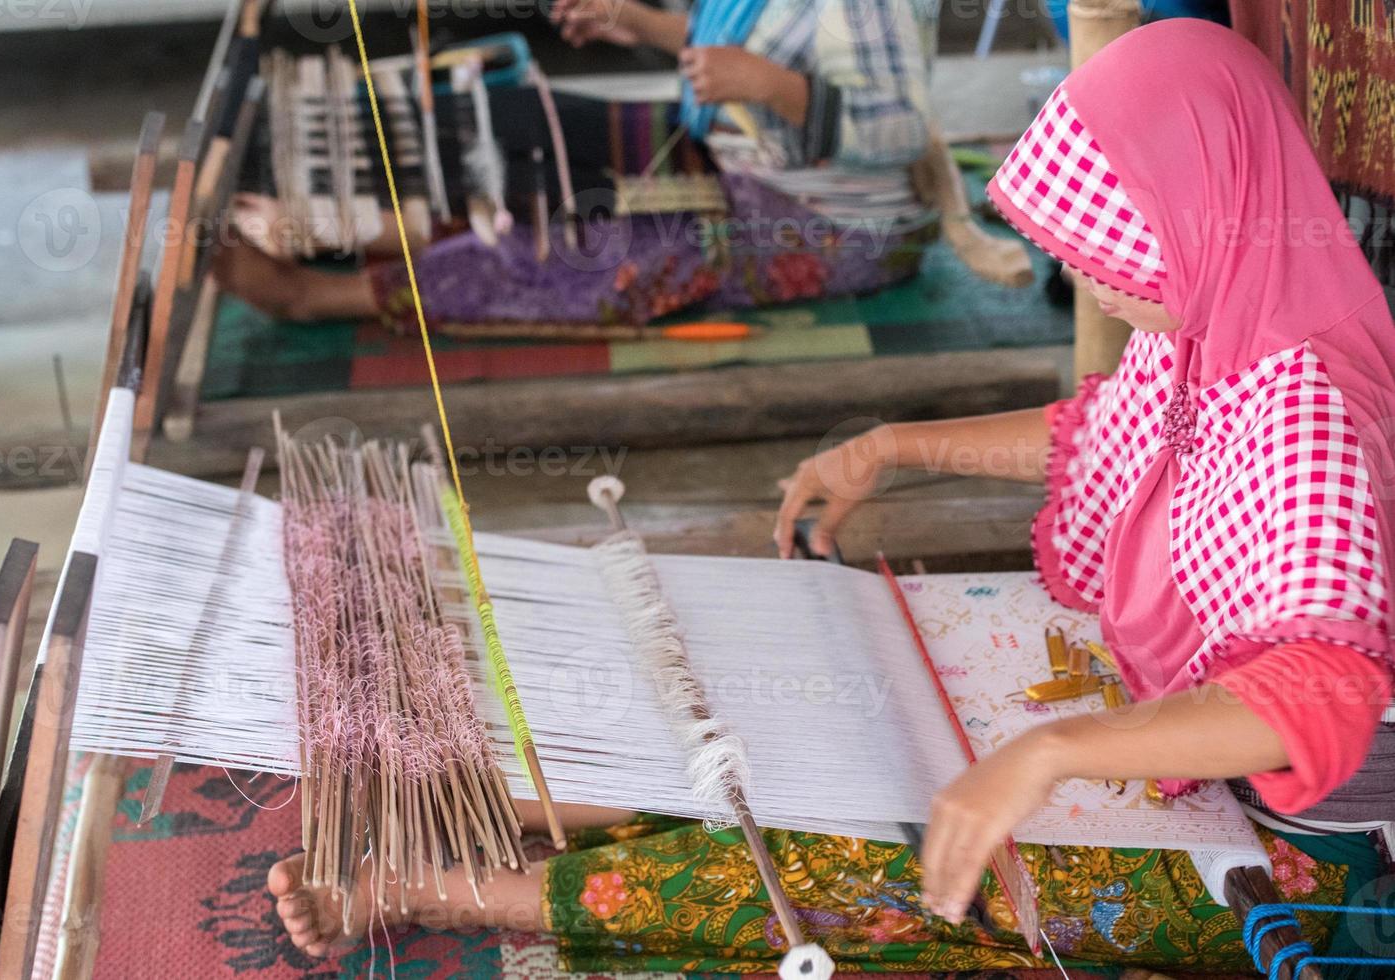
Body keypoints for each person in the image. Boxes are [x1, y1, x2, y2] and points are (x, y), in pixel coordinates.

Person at [268, 19, 1392, 974]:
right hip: (1180, 723)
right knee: (808, 704)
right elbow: (1110, 433)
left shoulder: (1309, 410)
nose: (1090, 281)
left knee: (869, 860)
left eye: (1110, 251)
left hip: (1290, 854)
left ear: (1206, 209)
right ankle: (519, 805)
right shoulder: (1228, 320)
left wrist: (1050, 752)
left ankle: (445, 886)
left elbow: (1321, 686)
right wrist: (891, 445)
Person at [215, 0, 1028, 335]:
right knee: (535, 129)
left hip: (829, 222)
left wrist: (768, 87)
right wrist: (636, 21)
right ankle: (343, 212)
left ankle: (321, 292)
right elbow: (735, 38)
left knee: (580, 253)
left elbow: (895, 128)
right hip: (727, 145)